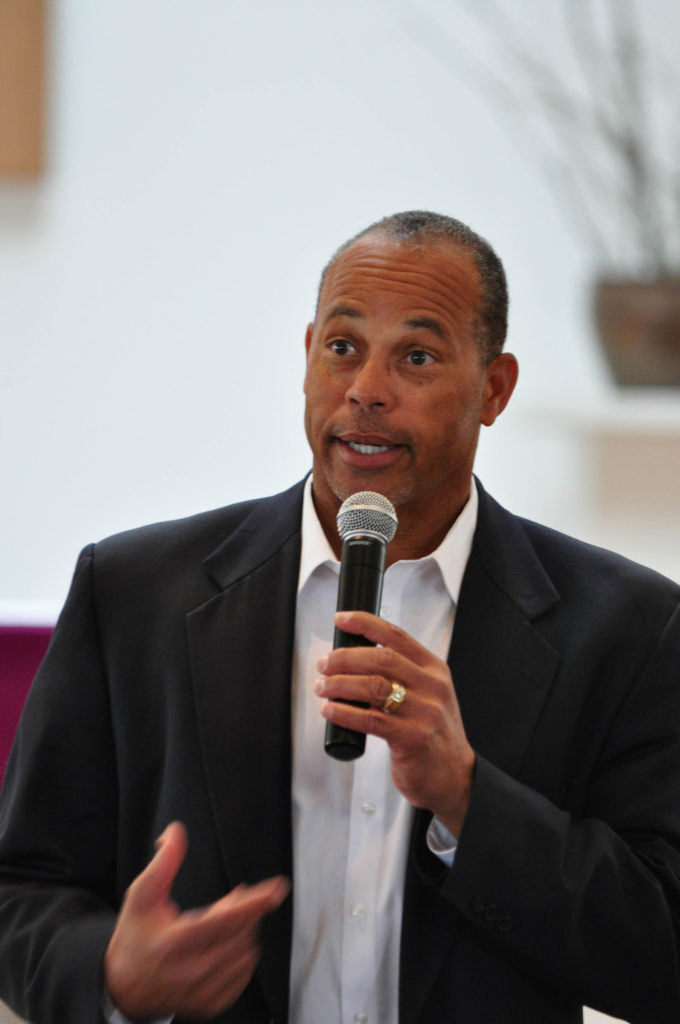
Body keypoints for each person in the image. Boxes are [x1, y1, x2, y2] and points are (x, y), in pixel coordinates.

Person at [1, 210, 680, 1024]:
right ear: (307, 359)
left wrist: (468, 797)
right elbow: (20, 890)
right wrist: (110, 974)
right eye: (343, 347)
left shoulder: (626, 628)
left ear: (494, 389)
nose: (366, 390)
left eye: (417, 357)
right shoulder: (135, 592)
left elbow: (661, 953)